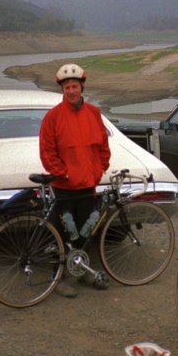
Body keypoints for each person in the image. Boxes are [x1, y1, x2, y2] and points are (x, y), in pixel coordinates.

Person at [39, 63, 111, 297]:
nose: (71, 91)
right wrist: (64, 173)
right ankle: (58, 278)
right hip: (65, 187)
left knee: (85, 230)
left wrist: (100, 169)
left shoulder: (93, 113)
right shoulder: (53, 117)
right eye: (67, 87)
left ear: (82, 87)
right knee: (61, 232)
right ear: (62, 89)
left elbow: (103, 146)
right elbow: (47, 152)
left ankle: (80, 271)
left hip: (88, 185)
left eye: (75, 86)